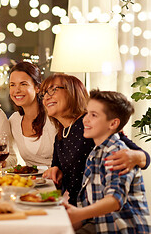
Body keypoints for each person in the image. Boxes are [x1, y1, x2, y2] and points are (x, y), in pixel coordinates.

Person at [41, 73, 150, 206]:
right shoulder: (60, 135)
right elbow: (57, 168)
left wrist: (136, 156)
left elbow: (143, 157)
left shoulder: (90, 125)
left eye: (53, 89)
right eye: (44, 93)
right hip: (76, 206)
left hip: (98, 211)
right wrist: (55, 170)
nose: (46, 96)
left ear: (73, 91)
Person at [64, 90, 150, 233]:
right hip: (100, 224)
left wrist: (79, 213)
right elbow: (93, 201)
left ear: (113, 123)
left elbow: (115, 199)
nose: (85, 119)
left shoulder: (117, 154)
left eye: (94, 115)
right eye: (87, 113)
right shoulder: (96, 152)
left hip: (123, 229)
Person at [8, 61, 57, 167]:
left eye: (23, 84)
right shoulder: (14, 120)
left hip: (57, 181)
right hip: (31, 181)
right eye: (12, 85)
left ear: (37, 87)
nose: (17, 90)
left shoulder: (53, 116)